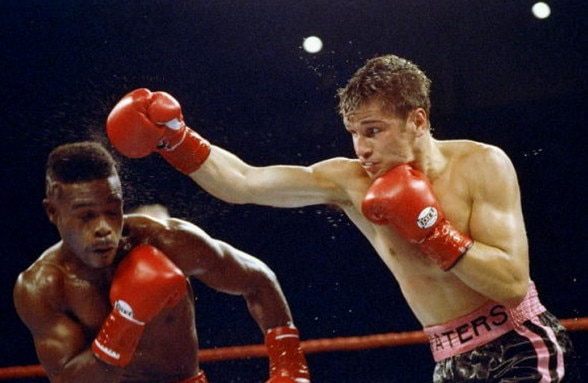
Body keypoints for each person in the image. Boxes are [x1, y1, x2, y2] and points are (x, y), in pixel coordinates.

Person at [105, 54, 579, 382]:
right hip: (448, 359)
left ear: (418, 120)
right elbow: (244, 184)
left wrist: (433, 231)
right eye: (354, 133)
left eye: (374, 131)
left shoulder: (481, 164)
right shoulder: (351, 182)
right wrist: (175, 137)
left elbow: (511, 283)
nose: (362, 148)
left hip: (518, 344)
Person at [13, 141, 311, 383]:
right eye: (87, 216)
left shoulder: (167, 242)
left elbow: (258, 280)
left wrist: (289, 367)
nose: (104, 227)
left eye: (112, 210)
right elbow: (67, 380)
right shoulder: (43, 286)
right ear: (52, 211)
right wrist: (126, 322)